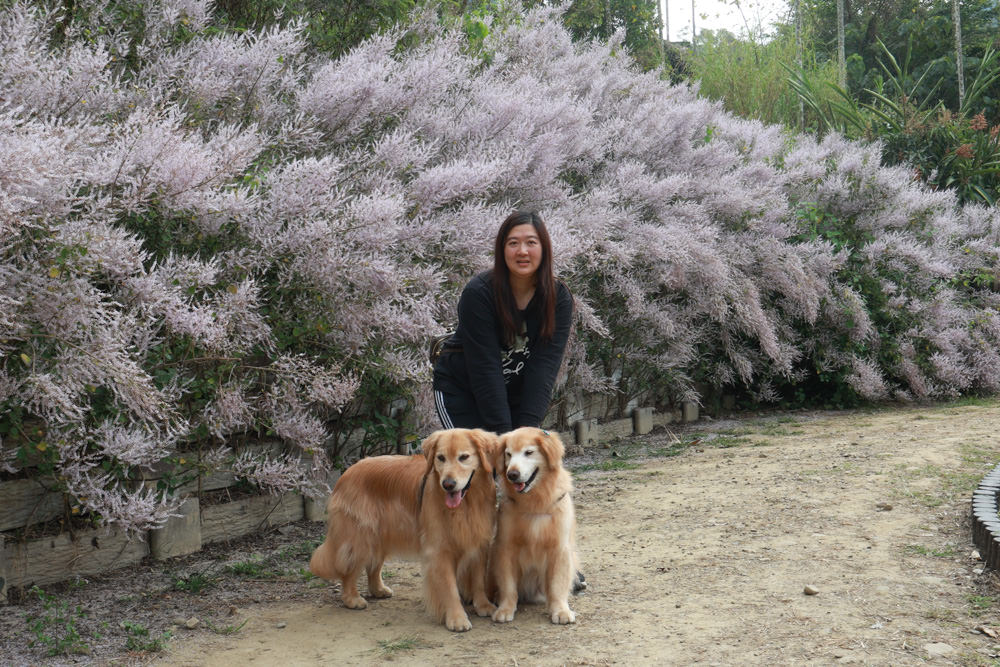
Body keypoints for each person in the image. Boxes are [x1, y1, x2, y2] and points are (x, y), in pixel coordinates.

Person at [432, 210, 573, 434]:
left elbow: (544, 367)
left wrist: (527, 430)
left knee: (519, 463)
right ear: (502, 249)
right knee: (476, 465)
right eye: (513, 243)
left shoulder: (558, 298)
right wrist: (503, 435)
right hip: (462, 390)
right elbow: (485, 367)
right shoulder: (479, 293)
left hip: (515, 393)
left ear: (544, 248)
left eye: (531, 242)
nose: (522, 251)